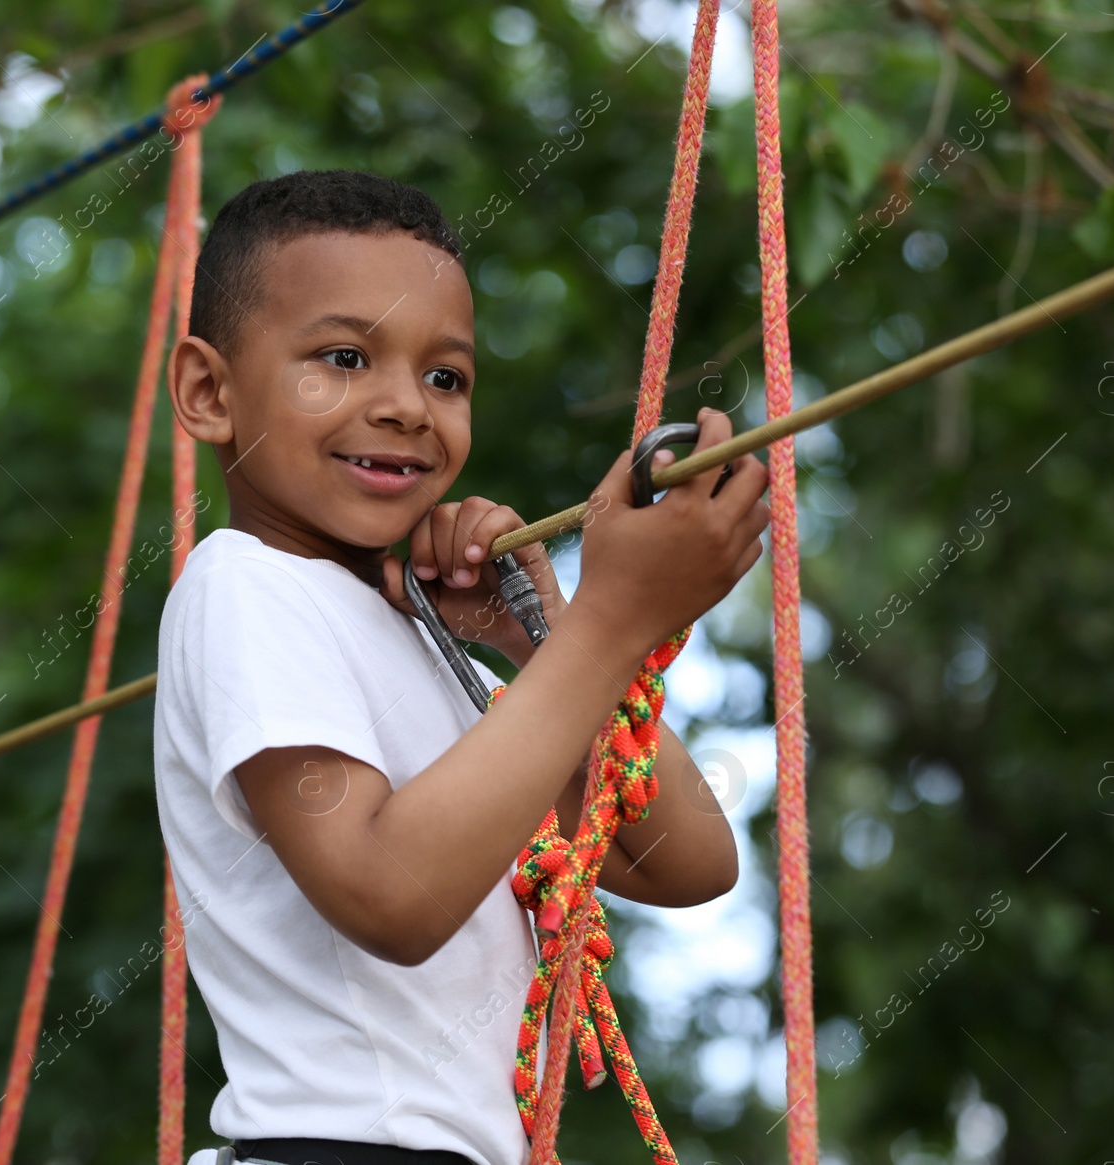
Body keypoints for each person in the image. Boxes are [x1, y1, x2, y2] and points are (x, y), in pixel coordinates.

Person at [157, 169, 768, 1165]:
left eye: (445, 377)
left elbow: (688, 860)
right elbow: (391, 895)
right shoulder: (243, 585)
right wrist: (611, 623)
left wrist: (540, 630)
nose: (406, 406)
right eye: (345, 357)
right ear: (209, 391)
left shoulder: (435, 661)